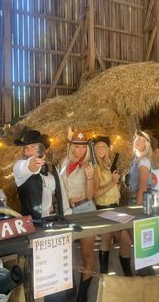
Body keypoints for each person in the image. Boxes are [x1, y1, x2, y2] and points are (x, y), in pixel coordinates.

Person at [13, 129, 71, 302]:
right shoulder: (19, 167)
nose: (32, 151)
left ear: (43, 149)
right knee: (41, 271)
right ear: (24, 151)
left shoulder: (52, 168)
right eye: (28, 148)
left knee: (59, 268)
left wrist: (67, 215)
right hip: (33, 224)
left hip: (54, 222)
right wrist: (34, 162)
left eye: (36, 147)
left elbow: (62, 194)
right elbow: (29, 166)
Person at [60, 129, 96, 302]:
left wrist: (90, 178)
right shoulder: (64, 162)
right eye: (76, 146)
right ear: (71, 146)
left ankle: (83, 294)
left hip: (85, 209)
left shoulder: (89, 165)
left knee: (87, 255)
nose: (79, 150)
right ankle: (70, 286)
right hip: (67, 211)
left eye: (83, 147)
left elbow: (90, 195)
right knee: (67, 252)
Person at [120, 129, 158, 276]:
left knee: (140, 242)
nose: (138, 141)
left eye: (142, 140)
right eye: (137, 138)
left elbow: (142, 187)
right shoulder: (136, 159)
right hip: (133, 200)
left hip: (138, 201)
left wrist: (137, 210)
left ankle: (147, 275)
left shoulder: (143, 160)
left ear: (147, 144)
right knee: (125, 240)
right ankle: (128, 276)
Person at [93, 135, 132, 276]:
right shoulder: (95, 167)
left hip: (114, 206)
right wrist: (113, 182)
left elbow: (113, 188)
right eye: (98, 147)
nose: (101, 149)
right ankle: (126, 275)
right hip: (104, 208)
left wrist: (118, 183)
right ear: (94, 150)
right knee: (125, 241)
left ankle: (107, 277)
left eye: (104, 146)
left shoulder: (108, 165)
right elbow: (95, 194)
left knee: (106, 240)